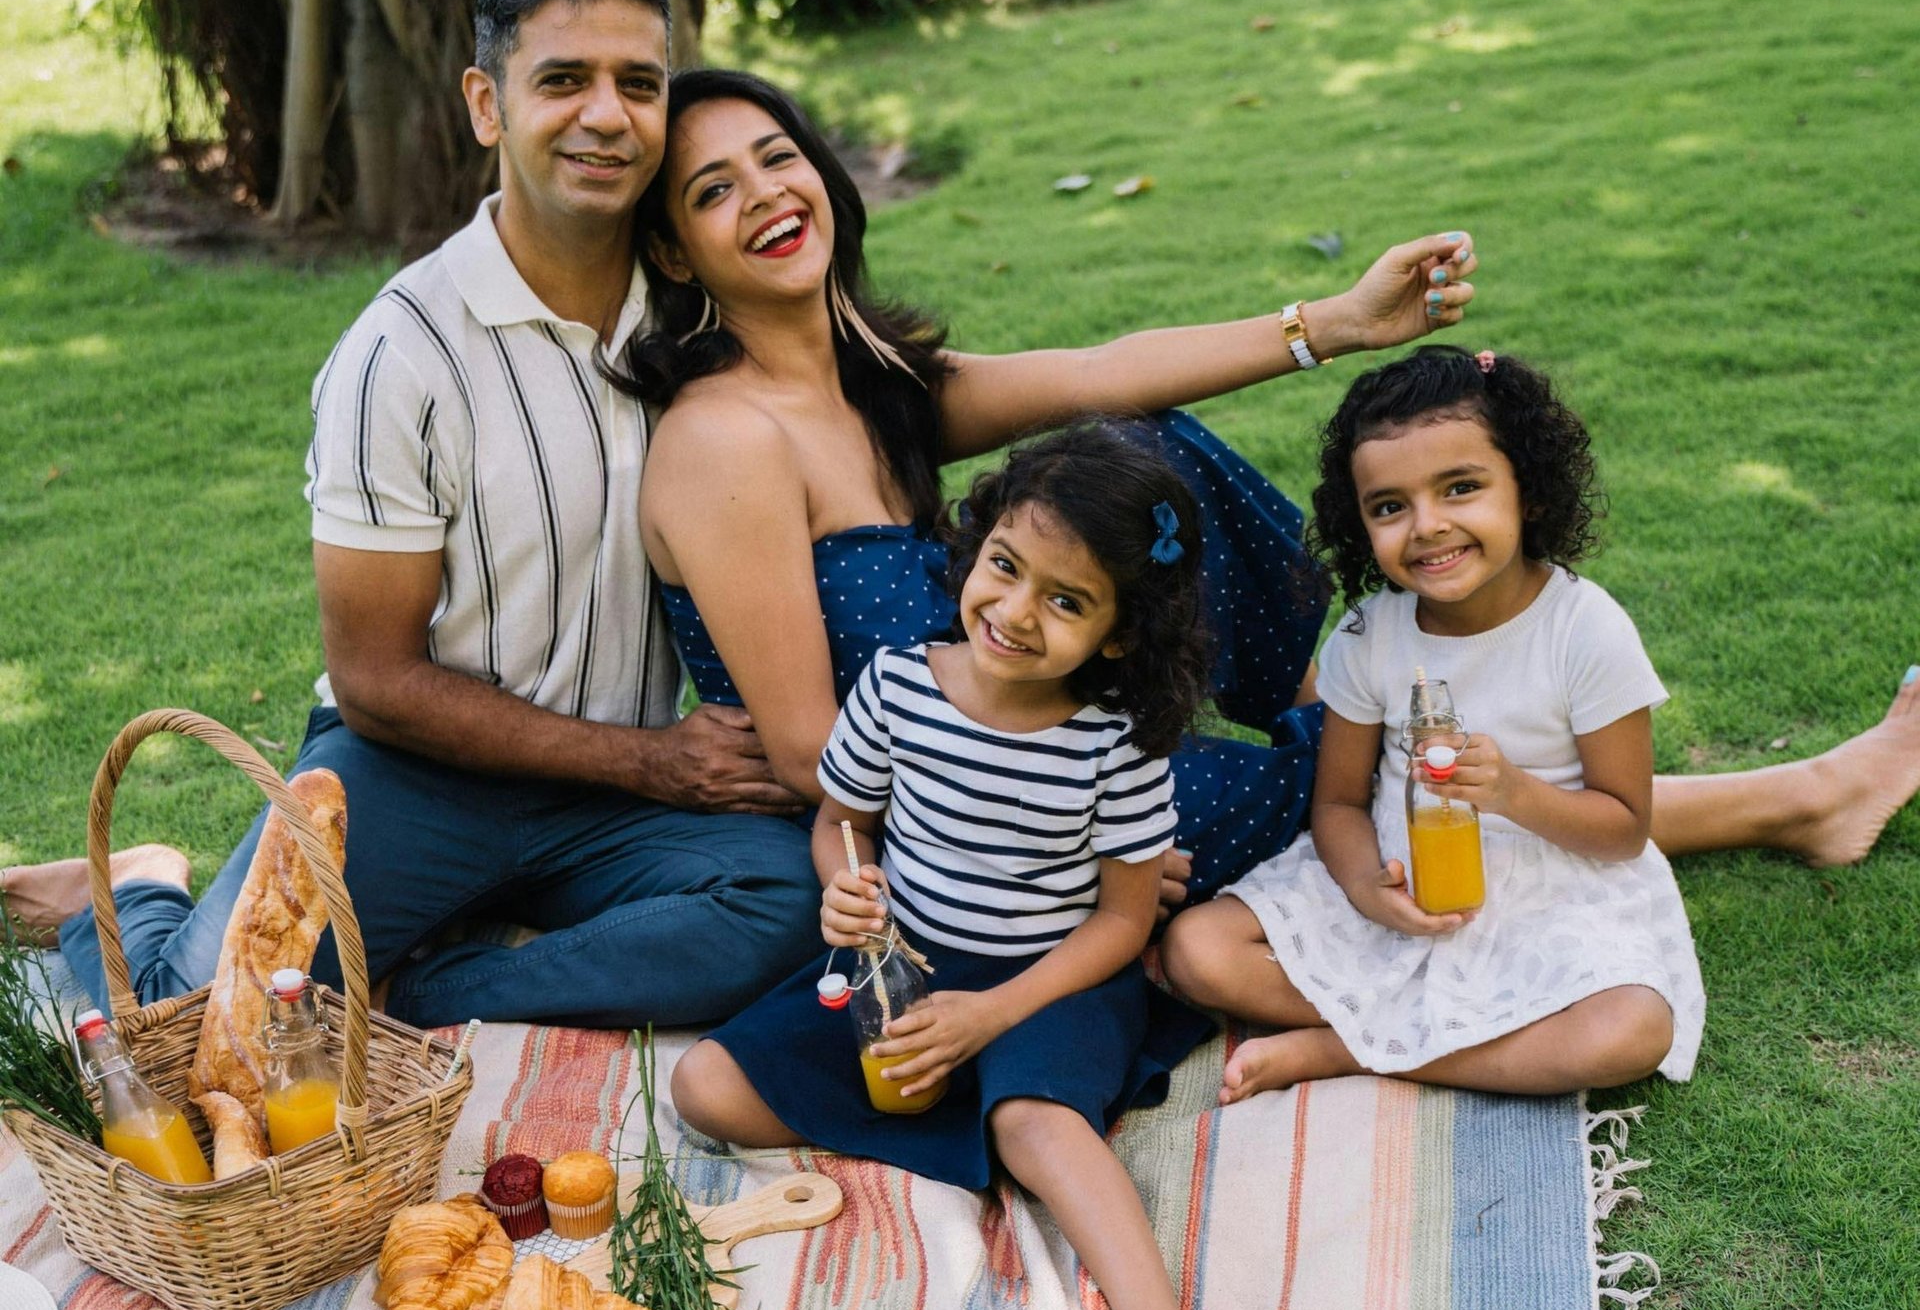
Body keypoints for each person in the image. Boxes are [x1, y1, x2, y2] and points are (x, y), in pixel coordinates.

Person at [627, 67, 1920, 911]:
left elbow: (1105, 370)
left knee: (1142, 441)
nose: (766, 196)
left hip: (1030, 711)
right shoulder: (726, 438)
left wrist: (1335, 323)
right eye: (712, 191)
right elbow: (810, 754)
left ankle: (1336, 698)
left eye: (776, 157)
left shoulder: (870, 381)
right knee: (1356, 804)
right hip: (966, 814)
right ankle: (1799, 799)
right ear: (677, 254)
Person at [6, 0, 820, 1028]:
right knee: (202, 1027)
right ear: (488, 105)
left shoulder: (691, 304)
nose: (606, 114)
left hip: (606, 802)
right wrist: (658, 760)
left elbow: (879, 394)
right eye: (563, 80)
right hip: (414, 778)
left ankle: (439, 986)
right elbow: (377, 678)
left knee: (793, 898)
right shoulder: (401, 356)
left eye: (639, 83)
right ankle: (145, 886)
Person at [672, 426, 1229, 1310]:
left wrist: (994, 1015)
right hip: (904, 967)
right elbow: (840, 821)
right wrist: (848, 885)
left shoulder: (1115, 744)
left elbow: (1122, 919)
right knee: (704, 1088)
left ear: (1118, 633)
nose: (1015, 611)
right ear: (975, 551)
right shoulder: (899, 684)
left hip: (1053, 978)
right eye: (1006, 567)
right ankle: (982, 1120)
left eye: (1066, 600)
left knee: (1035, 1122)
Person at [1161, 346, 1705, 1098]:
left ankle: (1350, 1049)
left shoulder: (1584, 629)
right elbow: (1340, 803)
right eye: (1390, 506)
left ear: (1530, 491)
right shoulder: (1368, 635)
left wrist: (1512, 792)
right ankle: (1413, 1031)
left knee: (1632, 1029)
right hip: (1401, 866)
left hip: (1547, 884)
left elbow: (1623, 827)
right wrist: (1363, 888)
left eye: (1461, 488)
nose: (1428, 526)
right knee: (1198, 950)